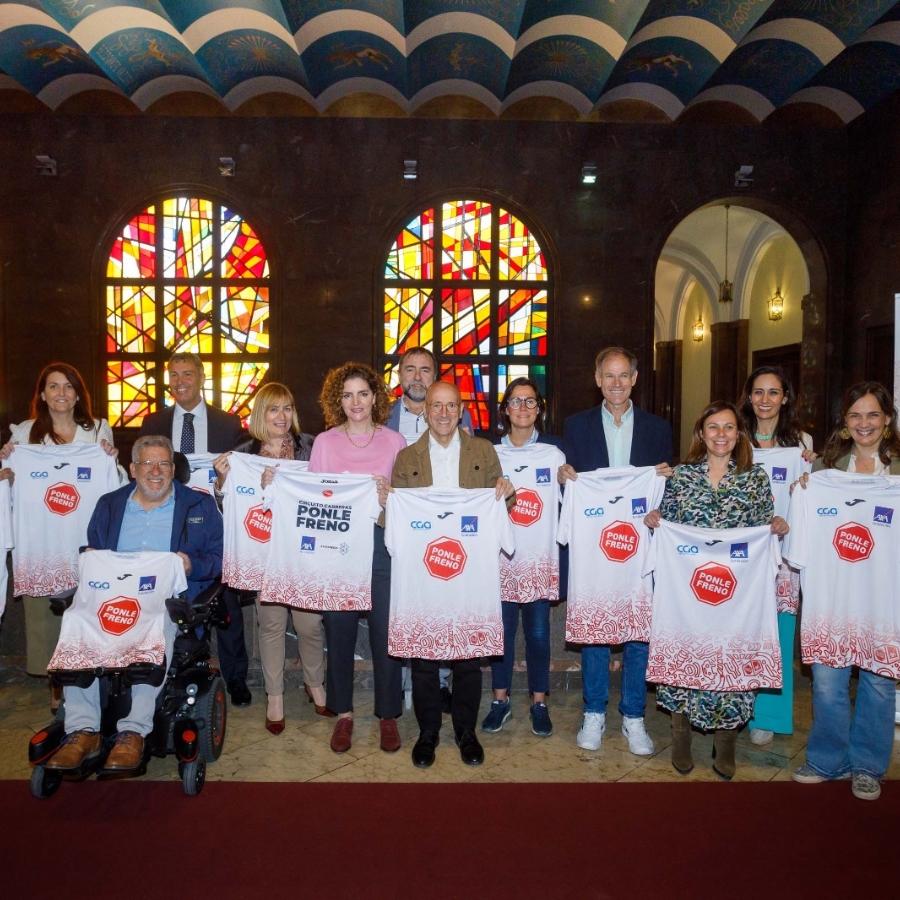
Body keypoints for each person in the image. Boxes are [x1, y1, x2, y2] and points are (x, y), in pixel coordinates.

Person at [45, 435, 223, 771]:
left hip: (165, 601)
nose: (155, 471)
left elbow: (219, 560)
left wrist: (191, 565)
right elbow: (93, 549)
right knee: (76, 618)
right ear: (133, 469)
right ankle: (83, 730)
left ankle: (132, 732)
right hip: (111, 597)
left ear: (174, 469)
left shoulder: (199, 506)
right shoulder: (110, 505)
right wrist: (90, 557)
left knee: (156, 623)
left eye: (164, 464)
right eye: (147, 464)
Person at [644, 401, 787, 779]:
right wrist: (655, 518)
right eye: (713, 427)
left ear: (738, 433)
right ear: (701, 434)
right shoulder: (681, 477)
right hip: (688, 593)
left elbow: (763, 527)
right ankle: (680, 736)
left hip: (738, 596)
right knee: (686, 650)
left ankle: (726, 742)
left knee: (732, 655)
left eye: (728, 427)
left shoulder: (754, 478)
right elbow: (666, 522)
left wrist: (775, 526)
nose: (720, 434)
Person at [391, 380, 516, 767]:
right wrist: (386, 503)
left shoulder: (483, 451)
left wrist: (505, 492)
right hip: (424, 575)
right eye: (436, 406)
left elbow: (502, 512)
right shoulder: (407, 458)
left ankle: (466, 731)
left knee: (468, 658)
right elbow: (393, 524)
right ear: (425, 411)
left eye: (450, 406)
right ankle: (428, 731)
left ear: (461, 410)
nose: (443, 414)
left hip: (470, 575)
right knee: (424, 659)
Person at [789, 382, 900, 801]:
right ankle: (825, 758)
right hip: (832, 599)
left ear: (887, 419)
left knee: (878, 683)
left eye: (872, 415)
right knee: (827, 683)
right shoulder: (824, 471)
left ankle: (868, 766)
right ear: (845, 422)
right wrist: (802, 492)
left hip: (884, 598)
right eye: (855, 415)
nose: (864, 423)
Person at [559, 347, 672, 755]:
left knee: (640, 631)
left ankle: (634, 716)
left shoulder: (658, 429)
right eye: (609, 376)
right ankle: (594, 712)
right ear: (597, 379)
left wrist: (665, 484)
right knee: (595, 629)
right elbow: (569, 484)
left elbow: (668, 490)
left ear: (635, 379)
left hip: (640, 546)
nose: (617, 383)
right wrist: (563, 477)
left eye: (624, 375)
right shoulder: (576, 426)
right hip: (596, 548)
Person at [0, 362, 122, 713]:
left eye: (68, 386)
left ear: (78, 393)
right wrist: (6, 468)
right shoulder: (24, 434)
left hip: (83, 537)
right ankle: (56, 681)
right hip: (40, 542)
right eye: (53, 387)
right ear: (42, 394)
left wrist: (111, 460)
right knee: (44, 618)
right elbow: (11, 489)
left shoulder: (98, 430)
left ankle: (87, 677)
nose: (61, 393)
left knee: (86, 611)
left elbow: (111, 482)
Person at [212, 382, 330, 734]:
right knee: (272, 624)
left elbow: (327, 492)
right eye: (274, 409)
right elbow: (227, 504)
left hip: (305, 553)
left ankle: (315, 683)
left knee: (310, 625)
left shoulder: (311, 446)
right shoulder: (243, 453)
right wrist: (221, 482)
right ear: (260, 415)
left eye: (288, 408)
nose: (282, 416)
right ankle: (275, 695)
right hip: (263, 554)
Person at [139, 352, 250, 707]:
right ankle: (170, 671)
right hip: (168, 525)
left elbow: (243, 476)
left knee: (226, 602)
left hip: (217, 524)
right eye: (173, 375)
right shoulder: (152, 422)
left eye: (187, 373)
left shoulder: (228, 423)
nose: (179, 381)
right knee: (168, 603)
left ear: (201, 377)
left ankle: (237, 679)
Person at [308, 362, 407, 754]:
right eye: (346, 395)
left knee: (386, 633)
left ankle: (387, 714)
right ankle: (344, 713)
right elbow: (313, 498)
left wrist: (390, 496)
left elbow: (408, 501)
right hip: (338, 551)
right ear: (338, 400)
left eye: (362, 393)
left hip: (383, 545)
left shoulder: (395, 441)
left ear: (375, 397)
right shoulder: (325, 443)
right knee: (340, 632)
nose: (355, 402)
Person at [385, 346, 473, 712]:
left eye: (425, 370)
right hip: (406, 528)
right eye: (410, 370)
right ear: (400, 377)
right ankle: (409, 684)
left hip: (450, 533)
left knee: (445, 600)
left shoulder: (460, 424)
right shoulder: (382, 419)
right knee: (409, 602)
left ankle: (440, 683)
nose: (417, 377)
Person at [482, 376, 565, 737]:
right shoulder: (488, 455)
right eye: (515, 402)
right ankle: (500, 700)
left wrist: (568, 481)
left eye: (530, 402)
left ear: (539, 409)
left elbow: (574, 502)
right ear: (504, 409)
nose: (523, 408)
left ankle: (539, 702)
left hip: (538, 559)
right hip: (498, 561)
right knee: (500, 633)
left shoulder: (554, 455)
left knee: (538, 635)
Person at [738, 366, 815, 747]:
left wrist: (809, 478)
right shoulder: (733, 437)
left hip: (783, 556)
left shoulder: (801, 442)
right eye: (757, 392)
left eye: (773, 392)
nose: (764, 400)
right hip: (741, 553)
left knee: (780, 634)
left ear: (785, 397)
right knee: (740, 629)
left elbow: (807, 497)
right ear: (748, 397)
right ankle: (736, 704)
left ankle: (767, 715)